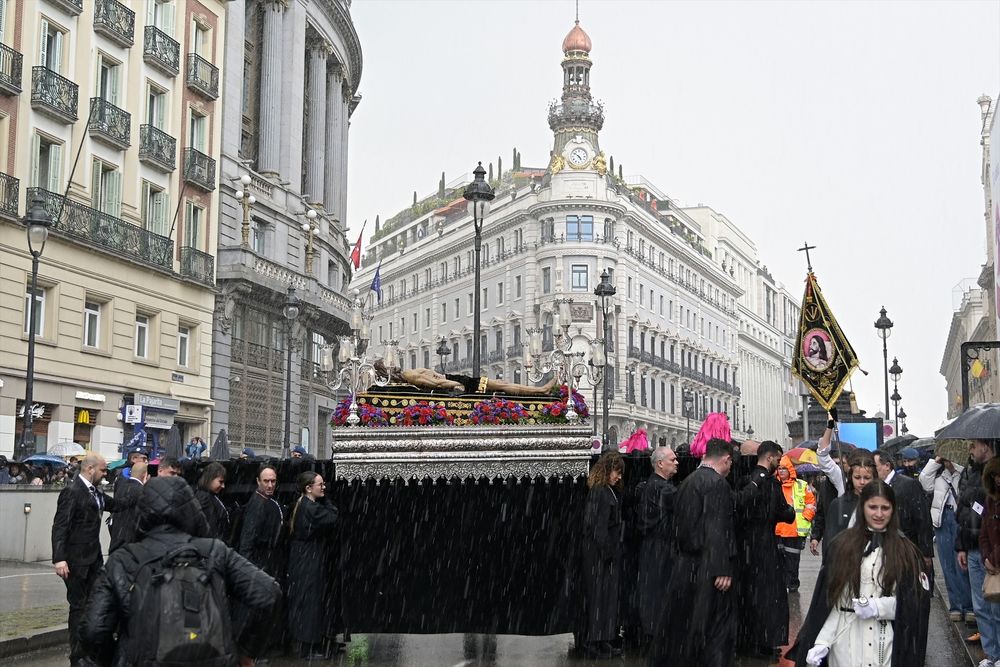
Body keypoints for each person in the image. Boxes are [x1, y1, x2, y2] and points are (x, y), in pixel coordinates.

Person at [79, 476, 280, 666]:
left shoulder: (123, 560)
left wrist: (117, 657)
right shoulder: (215, 551)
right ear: (190, 510)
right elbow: (269, 593)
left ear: (143, 512)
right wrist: (245, 649)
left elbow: (93, 630)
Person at [788, 480, 930, 667]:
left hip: (886, 644)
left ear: (893, 509)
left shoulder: (906, 552)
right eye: (872, 507)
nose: (879, 514)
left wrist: (878, 607)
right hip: (846, 643)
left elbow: (914, 606)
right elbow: (830, 604)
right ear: (862, 507)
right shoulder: (842, 546)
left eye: (885, 508)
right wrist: (821, 641)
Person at [651, 438, 736, 667]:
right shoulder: (717, 484)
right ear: (726, 459)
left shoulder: (688, 481)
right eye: (731, 464)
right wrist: (722, 568)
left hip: (686, 565)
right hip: (707, 567)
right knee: (713, 630)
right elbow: (717, 527)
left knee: (684, 626)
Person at [51, 454, 116, 667]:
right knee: (79, 608)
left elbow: (116, 504)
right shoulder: (72, 492)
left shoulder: (95, 492)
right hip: (75, 562)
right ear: (90, 469)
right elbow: (60, 526)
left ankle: (90, 652)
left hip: (94, 560)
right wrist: (59, 559)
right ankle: (77, 657)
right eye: (103, 470)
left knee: (95, 605)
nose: (106, 474)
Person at [735, 440, 795, 658]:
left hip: (744, 546)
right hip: (765, 545)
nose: (779, 463)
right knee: (768, 595)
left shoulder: (743, 480)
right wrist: (789, 510)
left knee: (748, 593)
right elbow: (785, 513)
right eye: (778, 459)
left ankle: (747, 640)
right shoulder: (770, 483)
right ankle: (766, 642)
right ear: (769, 457)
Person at [236, 464, 287, 661]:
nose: (270, 485)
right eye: (266, 481)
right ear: (258, 482)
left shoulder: (269, 502)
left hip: (269, 562)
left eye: (273, 481)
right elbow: (247, 540)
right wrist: (250, 570)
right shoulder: (257, 505)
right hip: (260, 564)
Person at [287, 471, 340, 659]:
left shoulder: (303, 504)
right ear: (309, 488)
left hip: (303, 556)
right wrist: (327, 501)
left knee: (306, 599)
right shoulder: (311, 508)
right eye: (320, 485)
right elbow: (333, 517)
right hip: (308, 558)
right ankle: (306, 647)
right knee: (309, 601)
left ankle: (307, 644)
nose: (323, 487)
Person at [579, 451, 624, 658]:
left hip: (602, 553)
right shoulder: (600, 492)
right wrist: (608, 553)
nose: (619, 476)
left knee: (603, 597)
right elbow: (598, 527)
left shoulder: (605, 490)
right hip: (599, 555)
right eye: (617, 471)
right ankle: (595, 641)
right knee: (598, 597)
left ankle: (601, 639)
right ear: (607, 470)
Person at [958, 440, 1000, 656]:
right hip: (976, 550)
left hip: (993, 556)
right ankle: (991, 655)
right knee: (981, 607)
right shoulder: (971, 474)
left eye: (974, 445)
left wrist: (992, 556)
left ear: (986, 446)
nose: (970, 449)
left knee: (996, 606)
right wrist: (961, 546)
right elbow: (965, 514)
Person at [920, 451, 972, 623]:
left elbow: (966, 486)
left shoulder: (963, 473)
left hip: (960, 518)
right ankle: (955, 606)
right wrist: (936, 461)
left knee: (962, 564)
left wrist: (954, 464)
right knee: (947, 564)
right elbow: (923, 481)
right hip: (943, 519)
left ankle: (969, 606)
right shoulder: (938, 475)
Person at [635, 447, 678, 641]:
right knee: (658, 590)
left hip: (657, 547)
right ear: (660, 463)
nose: (676, 462)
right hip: (659, 548)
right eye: (672, 459)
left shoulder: (654, 485)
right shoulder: (661, 488)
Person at [873, 449, 934, 569]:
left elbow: (922, 518)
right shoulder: (875, 488)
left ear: (887, 466)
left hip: (908, 548)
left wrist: (926, 551)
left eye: (875, 466)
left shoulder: (908, 484)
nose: (872, 470)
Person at [810, 453, 876, 558]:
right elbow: (822, 516)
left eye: (867, 478)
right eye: (857, 477)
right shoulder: (838, 503)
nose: (862, 482)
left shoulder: (880, 502)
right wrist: (816, 536)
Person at [373, 359, 557, 396]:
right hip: (461, 383)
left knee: (501, 384)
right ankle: (541, 389)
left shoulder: (409, 373)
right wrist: (457, 384)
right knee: (502, 385)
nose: (392, 361)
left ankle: (540, 389)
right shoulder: (410, 375)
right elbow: (436, 383)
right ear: (387, 370)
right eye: (388, 363)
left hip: (459, 379)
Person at [775, 454, 816, 592]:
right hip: (777, 529)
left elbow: (811, 503)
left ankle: (792, 584)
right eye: (779, 468)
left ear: (790, 470)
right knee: (779, 561)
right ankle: (782, 584)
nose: (781, 471)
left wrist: (806, 517)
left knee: (793, 560)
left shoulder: (801, 485)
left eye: (784, 469)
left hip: (794, 530)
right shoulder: (774, 484)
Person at [109, 461, 148, 552]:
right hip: (130, 543)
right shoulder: (142, 491)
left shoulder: (122, 487)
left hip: (117, 538)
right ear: (145, 475)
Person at [196, 462, 231, 541]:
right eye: (220, 482)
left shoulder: (206, 496)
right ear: (210, 479)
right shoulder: (205, 499)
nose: (223, 486)